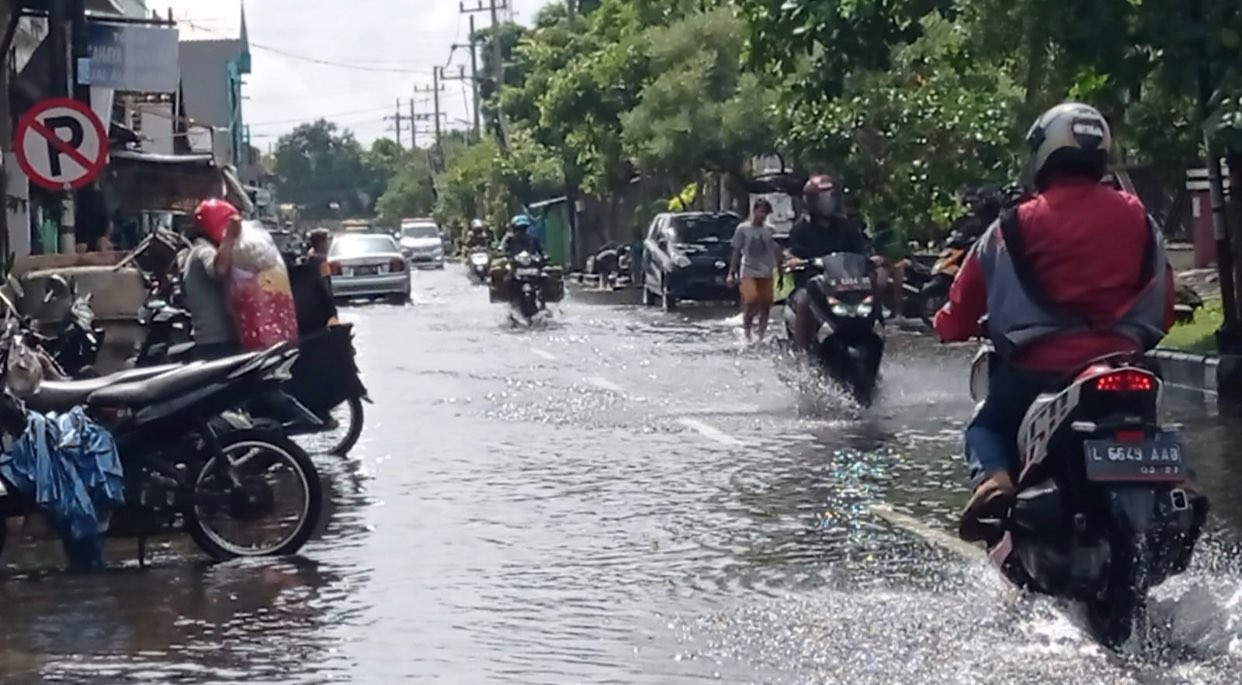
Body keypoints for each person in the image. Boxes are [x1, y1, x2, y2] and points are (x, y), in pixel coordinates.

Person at [932, 102, 1177, 542]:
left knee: (986, 426)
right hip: (1126, 366)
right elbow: (1164, 304)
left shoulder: (1014, 224)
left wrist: (947, 325)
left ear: (1045, 152)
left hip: (1040, 371)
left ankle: (996, 481)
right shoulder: (1138, 216)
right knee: (1156, 426)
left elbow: (961, 306)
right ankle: (1179, 481)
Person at [785, 174, 880, 353]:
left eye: (831, 197)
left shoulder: (846, 226)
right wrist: (795, 261)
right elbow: (792, 253)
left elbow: (862, 247)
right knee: (804, 301)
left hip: (845, 284)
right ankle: (802, 353)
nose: (828, 203)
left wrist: (872, 257)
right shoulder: (801, 229)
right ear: (811, 201)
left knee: (873, 289)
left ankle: (875, 334)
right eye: (822, 198)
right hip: (813, 285)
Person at [181, 198, 243, 360]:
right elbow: (220, 269)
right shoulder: (203, 249)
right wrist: (229, 236)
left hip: (223, 340)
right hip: (216, 342)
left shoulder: (207, 248)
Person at [729, 198, 782, 341]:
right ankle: (747, 333)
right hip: (748, 270)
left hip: (766, 271)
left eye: (766, 213)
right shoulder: (743, 229)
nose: (763, 215)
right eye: (761, 211)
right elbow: (736, 250)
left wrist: (781, 271)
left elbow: (777, 250)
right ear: (754, 211)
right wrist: (731, 272)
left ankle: (761, 335)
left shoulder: (770, 230)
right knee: (750, 301)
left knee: (765, 305)